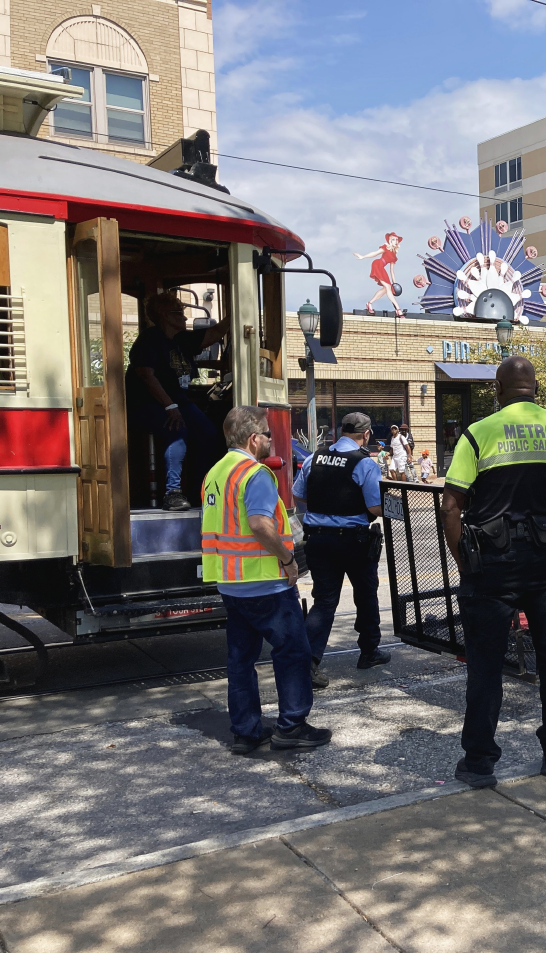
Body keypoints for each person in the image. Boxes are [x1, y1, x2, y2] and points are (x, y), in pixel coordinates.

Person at [440, 356, 546, 788]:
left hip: (491, 569)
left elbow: (451, 507)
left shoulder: (478, 434)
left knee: (486, 667)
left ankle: (479, 764)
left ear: (497, 388)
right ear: (536, 387)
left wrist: (463, 561)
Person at [202, 406, 331, 754]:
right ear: (254, 438)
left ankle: (246, 731)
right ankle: (292, 726)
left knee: (240, 659)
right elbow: (260, 525)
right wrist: (288, 560)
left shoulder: (215, 473)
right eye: (268, 435)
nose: (273, 441)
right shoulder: (253, 474)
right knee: (294, 652)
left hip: (231, 583)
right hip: (265, 583)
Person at [294, 412, 389, 685]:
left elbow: (298, 494)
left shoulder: (315, 457)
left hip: (318, 540)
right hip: (353, 541)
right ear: (366, 434)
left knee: (324, 601)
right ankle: (369, 652)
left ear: (340, 431)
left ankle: (308, 662)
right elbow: (373, 507)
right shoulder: (364, 463)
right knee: (366, 594)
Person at [127, 292, 227, 511]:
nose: (184, 317)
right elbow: (146, 374)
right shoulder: (149, 340)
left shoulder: (182, 340)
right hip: (148, 403)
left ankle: (201, 490)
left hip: (178, 401)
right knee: (177, 432)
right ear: (164, 315)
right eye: (179, 312)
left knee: (208, 433)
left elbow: (216, 332)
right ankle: (173, 493)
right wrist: (169, 406)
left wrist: (240, 311)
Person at [355, 232, 404, 317]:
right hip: (377, 264)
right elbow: (375, 253)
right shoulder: (386, 248)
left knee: (386, 289)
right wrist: (363, 257)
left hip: (382, 268)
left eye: (396, 240)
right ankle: (398, 309)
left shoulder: (394, 255)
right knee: (387, 287)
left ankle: (369, 303)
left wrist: (394, 284)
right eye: (393, 239)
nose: (395, 241)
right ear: (390, 241)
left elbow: (392, 271)